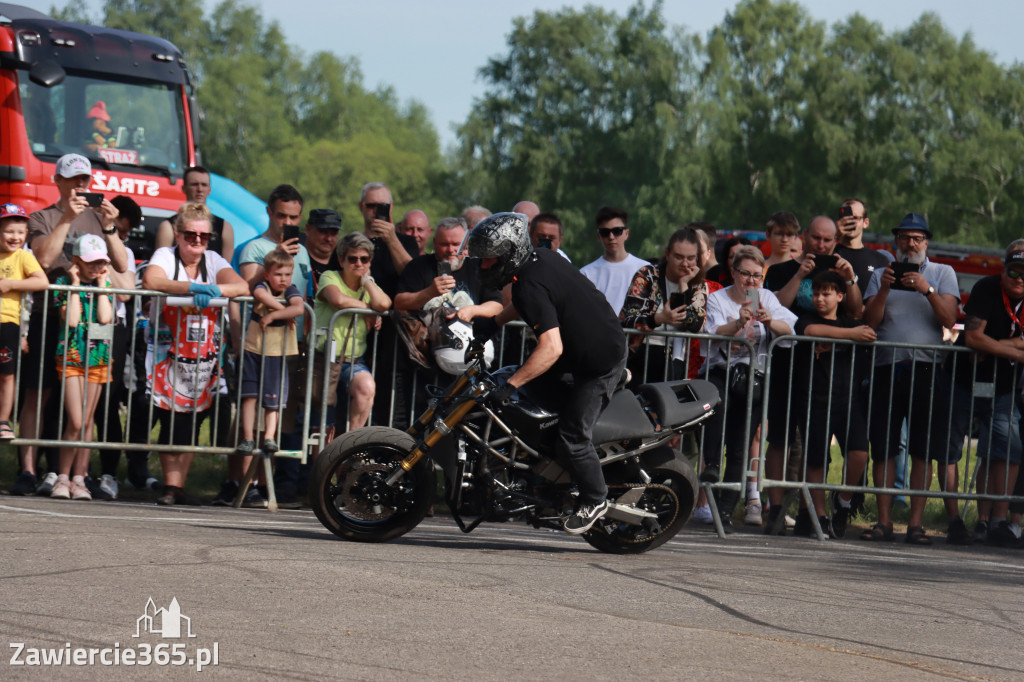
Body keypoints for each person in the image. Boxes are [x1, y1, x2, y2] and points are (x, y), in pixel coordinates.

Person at [470, 212, 628, 535]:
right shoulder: (539, 259)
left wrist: (510, 385)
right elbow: (535, 303)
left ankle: (595, 497)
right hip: (580, 351)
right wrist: (494, 323)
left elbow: (551, 347)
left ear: (509, 254)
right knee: (535, 403)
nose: (483, 266)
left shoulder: (529, 282)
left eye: (489, 260)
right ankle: (550, 478)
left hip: (598, 364)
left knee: (571, 437)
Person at [23, 153, 129, 495]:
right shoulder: (42, 216)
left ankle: (74, 475)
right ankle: (29, 468)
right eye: (73, 179)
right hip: (50, 314)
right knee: (39, 395)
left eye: (85, 179)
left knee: (85, 410)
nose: (81, 185)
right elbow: (43, 258)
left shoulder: (100, 219)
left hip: (93, 327)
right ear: (58, 181)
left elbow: (123, 265)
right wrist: (67, 219)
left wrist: (110, 227)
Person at [861, 213, 965, 545]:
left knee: (922, 450)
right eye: (905, 238)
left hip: (928, 369)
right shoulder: (880, 274)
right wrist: (885, 289)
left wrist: (928, 290)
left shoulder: (942, 273)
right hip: (888, 368)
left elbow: (950, 319)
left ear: (927, 243)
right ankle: (884, 521)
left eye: (917, 238)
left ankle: (916, 524)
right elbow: (870, 323)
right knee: (884, 447)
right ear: (896, 243)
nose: (911, 244)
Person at [142, 203, 248, 506]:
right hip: (167, 352)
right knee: (168, 418)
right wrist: (189, 288)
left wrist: (215, 289)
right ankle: (166, 482)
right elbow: (152, 281)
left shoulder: (213, 259)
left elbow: (240, 285)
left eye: (204, 236)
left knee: (193, 419)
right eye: (191, 235)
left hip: (203, 356)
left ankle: (178, 485)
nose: (197, 242)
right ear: (178, 234)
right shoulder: (165, 256)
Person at [700, 245, 797, 529]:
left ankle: (726, 509)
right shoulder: (718, 298)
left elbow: (790, 328)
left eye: (757, 276)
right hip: (722, 371)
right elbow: (712, 334)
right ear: (734, 273)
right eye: (746, 274)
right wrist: (736, 325)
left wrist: (770, 320)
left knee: (742, 445)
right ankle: (712, 464)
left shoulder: (766, 297)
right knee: (716, 412)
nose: (751, 281)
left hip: (754, 376)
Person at [946, 242, 1024, 546]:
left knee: (1006, 451)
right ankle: (956, 520)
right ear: (1003, 269)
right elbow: (973, 336)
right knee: (951, 448)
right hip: (963, 379)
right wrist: (1015, 350)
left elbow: (981, 340)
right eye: (1013, 270)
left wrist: (993, 344)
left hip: (1004, 386)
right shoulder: (986, 288)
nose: (1019, 277)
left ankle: (996, 521)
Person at [793, 271, 876, 538]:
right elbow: (811, 330)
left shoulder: (848, 321)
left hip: (847, 400)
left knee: (860, 453)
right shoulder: (807, 318)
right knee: (816, 460)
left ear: (839, 296)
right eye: (816, 293)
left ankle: (842, 501)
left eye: (826, 294)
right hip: (815, 400)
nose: (819, 299)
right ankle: (819, 515)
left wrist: (842, 336)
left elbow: (868, 332)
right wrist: (848, 335)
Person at [49, 234, 115, 500]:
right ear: (76, 261)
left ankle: (80, 477)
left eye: (100, 262)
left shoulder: (104, 282)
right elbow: (73, 320)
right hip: (71, 358)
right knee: (75, 421)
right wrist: (76, 283)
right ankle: (63, 477)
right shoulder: (64, 283)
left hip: (98, 358)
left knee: (87, 421)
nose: (96, 267)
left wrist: (101, 285)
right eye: (90, 262)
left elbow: (105, 317)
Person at [312, 232, 391, 433]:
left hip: (353, 361)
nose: (358, 263)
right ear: (341, 260)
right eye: (352, 259)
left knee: (367, 388)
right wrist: (369, 309)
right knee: (323, 425)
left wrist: (367, 282)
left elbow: (384, 303)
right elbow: (338, 300)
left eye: (364, 259)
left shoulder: (369, 287)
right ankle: (321, 464)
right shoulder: (330, 276)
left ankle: (350, 446)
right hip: (324, 359)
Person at [619, 227, 715, 386]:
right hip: (640, 353)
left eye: (691, 258)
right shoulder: (647, 275)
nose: (685, 264)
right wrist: (658, 319)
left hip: (674, 359)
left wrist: (684, 285)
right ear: (668, 254)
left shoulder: (698, 284)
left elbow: (696, 325)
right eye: (679, 257)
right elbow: (629, 318)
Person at [357, 183, 419, 427]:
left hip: (397, 337)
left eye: (381, 206)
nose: (375, 212)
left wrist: (391, 239)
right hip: (361, 331)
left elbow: (413, 278)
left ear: (391, 208)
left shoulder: (405, 242)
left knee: (394, 403)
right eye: (370, 206)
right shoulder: (353, 244)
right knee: (362, 396)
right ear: (361, 208)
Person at [0, 204, 48, 494]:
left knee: (7, 375)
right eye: (8, 231)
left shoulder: (24, 257)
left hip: (8, 323)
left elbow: (41, 281)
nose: (15, 236)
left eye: (20, 231)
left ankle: (3, 421)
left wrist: (11, 284)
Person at [238, 249, 304, 456]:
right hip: (254, 348)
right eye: (278, 274)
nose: (283, 279)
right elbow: (259, 294)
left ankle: (269, 437)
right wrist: (279, 311)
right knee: (249, 396)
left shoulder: (291, 290)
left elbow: (298, 308)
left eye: (287, 275)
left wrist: (274, 316)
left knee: (273, 401)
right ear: (267, 275)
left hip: (277, 353)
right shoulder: (262, 286)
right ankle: (247, 437)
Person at [156, 166, 235, 260]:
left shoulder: (225, 228)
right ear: (184, 188)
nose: (200, 189)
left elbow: (226, 268)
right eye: (194, 184)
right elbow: (161, 265)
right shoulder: (168, 226)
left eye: (204, 185)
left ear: (209, 190)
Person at [580, 206, 649, 314]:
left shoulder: (645, 269)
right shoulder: (586, 274)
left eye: (617, 231)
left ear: (626, 233)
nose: (611, 237)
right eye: (605, 232)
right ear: (599, 236)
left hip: (634, 330)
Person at [834, 198, 892, 296]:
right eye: (845, 218)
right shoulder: (829, 252)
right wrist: (835, 237)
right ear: (838, 221)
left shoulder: (880, 260)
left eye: (855, 218)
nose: (849, 222)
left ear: (866, 223)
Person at [762, 211, 799, 275]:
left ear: (795, 237)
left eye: (789, 234)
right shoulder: (758, 271)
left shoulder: (800, 271)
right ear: (768, 235)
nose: (784, 240)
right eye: (779, 234)